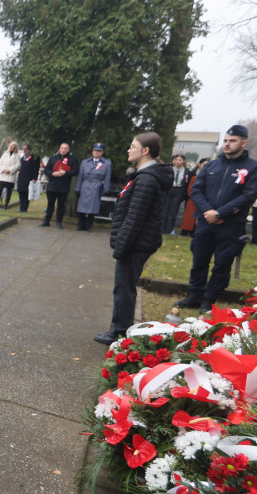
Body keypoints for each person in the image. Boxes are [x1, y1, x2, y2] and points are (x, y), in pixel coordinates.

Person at [175, 125, 257, 312]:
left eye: (232, 141)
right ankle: (195, 295)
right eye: (225, 140)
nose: (227, 144)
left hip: (231, 224)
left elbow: (248, 195)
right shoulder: (212, 166)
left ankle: (209, 299)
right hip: (206, 221)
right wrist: (209, 212)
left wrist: (221, 213)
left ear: (243, 143)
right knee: (199, 259)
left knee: (222, 263)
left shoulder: (254, 168)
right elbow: (197, 190)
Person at [95, 133, 171, 344]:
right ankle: (119, 328)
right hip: (136, 242)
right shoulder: (142, 175)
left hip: (135, 243)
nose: (129, 149)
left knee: (124, 288)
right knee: (123, 287)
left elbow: (135, 218)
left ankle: (119, 332)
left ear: (145, 150)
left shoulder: (146, 179)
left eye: (133, 146)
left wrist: (121, 247)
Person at [39, 142, 78, 228]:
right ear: (59, 149)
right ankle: (46, 221)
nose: (63, 150)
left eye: (65, 148)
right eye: (62, 148)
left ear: (68, 150)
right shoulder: (53, 158)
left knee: (61, 205)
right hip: (52, 185)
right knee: (50, 204)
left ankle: (59, 222)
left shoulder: (73, 159)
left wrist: (65, 172)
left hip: (64, 186)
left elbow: (75, 171)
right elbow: (46, 170)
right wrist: (53, 173)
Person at [75, 143, 111, 231]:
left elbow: (107, 177)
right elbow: (80, 176)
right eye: (95, 150)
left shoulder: (106, 163)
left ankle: (89, 225)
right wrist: (77, 187)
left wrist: (106, 188)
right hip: (85, 185)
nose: (97, 153)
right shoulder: (85, 162)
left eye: (99, 151)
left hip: (96, 185)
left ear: (102, 152)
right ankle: (80, 225)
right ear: (92, 151)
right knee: (82, 206)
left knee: (93, 207)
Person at [161, 154, 191, 235]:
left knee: (173, 212)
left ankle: (169, 230)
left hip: (179, 191)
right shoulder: (169, 169)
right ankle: (161, 229)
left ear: (184, 161)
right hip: (169, 190)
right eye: (176, 159)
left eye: (180, 160)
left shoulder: (186, 171)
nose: (178, 161)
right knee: (165, 210)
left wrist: (183, 194)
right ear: (173, 161)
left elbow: (187, 183)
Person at [180, 159, 209, 236]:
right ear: (199, 164)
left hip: (203, 201)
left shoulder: (210, 178)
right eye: (204, 164)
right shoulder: (193, 177)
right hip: (192, 201)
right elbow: (189, 190)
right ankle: (185, 231)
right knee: (188, 218)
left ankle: (194, 232)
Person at [0, 142, 20, 211]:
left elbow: (17, 165)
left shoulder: (17, 156)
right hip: (3, 175)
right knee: (0, 189)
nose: (11, 147)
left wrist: (10, 170)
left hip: (10, 176)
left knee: (9, 191)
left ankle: (6, 205)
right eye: (10, 146)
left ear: (15, 148)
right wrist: (3, 169)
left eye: (12, 146)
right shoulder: (5, 154)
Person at [16, 144, 40, 212]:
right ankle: (21, 207)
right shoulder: (23, 157)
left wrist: (34, 177)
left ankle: (24, 208)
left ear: (29, 149)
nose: (24, 150)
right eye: (24, 148)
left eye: (26, 149)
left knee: (27, 193)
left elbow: (36, 168)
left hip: (29, 177)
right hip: (22, 177)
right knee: (21, 192)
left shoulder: (34, 157)